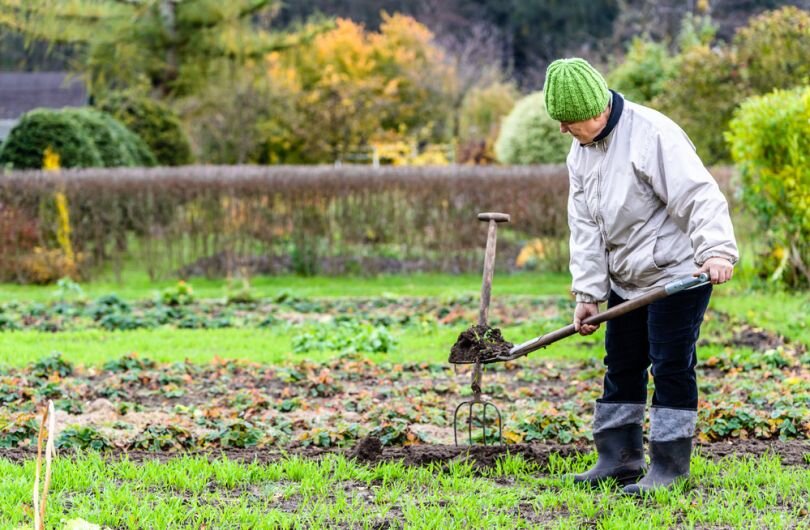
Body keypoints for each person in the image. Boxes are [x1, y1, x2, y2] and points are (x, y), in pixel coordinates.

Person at [542, 58, 738, 495]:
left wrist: (717, 250)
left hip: (678, 272)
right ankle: (619, 459)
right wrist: (589, 293)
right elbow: (586, 225)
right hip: (627, 278)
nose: (565, 132)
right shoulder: (582, 152)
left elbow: (698, 194)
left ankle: (668, 467)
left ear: (598, 110)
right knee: (623, 363)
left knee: (669, 365)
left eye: (570, 123)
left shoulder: (652, 134)